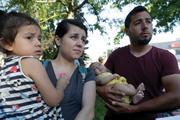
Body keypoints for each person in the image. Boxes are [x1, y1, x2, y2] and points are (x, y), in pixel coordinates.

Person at [96, 6, 180, 120]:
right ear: (127, 31)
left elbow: (177, 97)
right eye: (138, 22)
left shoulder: (165, 57)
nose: (145, 26)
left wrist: (134, 109)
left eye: (148, 21)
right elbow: (98, 81)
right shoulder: (116, 55)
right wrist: (102, 91)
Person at [0, 11, 67, 119]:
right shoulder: (31, 63)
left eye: (39, 38)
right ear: (8, 44)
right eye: (29, 37)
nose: (38, 43)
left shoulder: (4, 70)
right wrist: (61, 85)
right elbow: (53, 100)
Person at [43, 19, 96, 120]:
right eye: (74, 37)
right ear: (58, 40)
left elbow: (88, 111)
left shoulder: (87, 74)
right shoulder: (39, 67)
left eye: (83, 40)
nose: (80, 44)